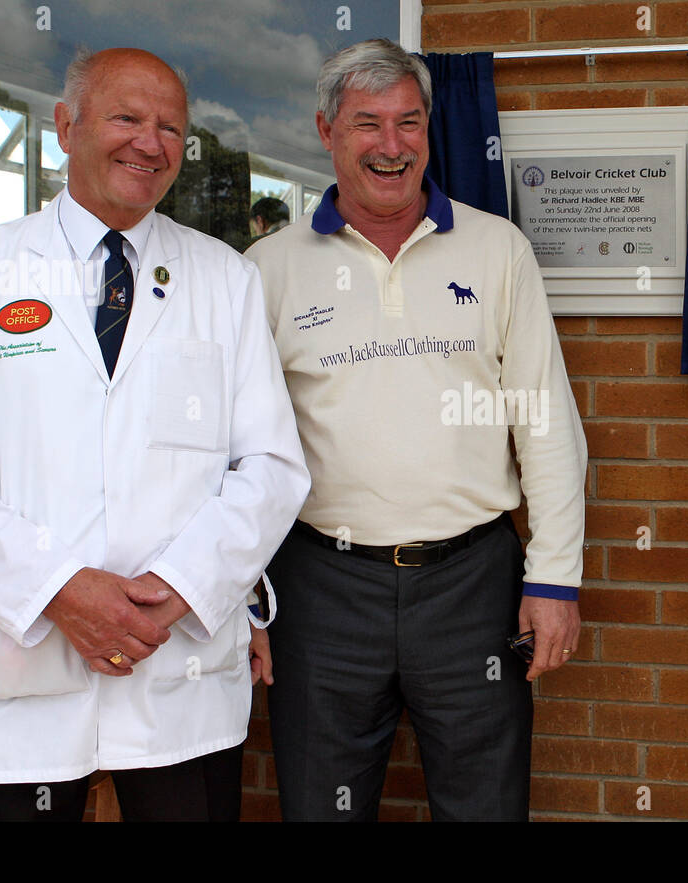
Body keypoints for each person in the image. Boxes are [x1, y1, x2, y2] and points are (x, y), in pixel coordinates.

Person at [0, 47, 309, 822]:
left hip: (173, 673)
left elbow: (272, 467)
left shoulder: (225, 281)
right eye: (128, 118)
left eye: (172, 129)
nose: (151, 144)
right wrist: (61, 592)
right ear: (65, 127)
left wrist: (179, 588)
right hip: (13, 685)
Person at [245, 38, 587, 822]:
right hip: (320, 589)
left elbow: (545, 423)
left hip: (473, 586)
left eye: (410, 122)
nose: (392, 146)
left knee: (485, 809)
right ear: (327, 130)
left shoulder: (499, 250)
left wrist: (554, 579)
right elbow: (239, 453)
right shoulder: (267, 268)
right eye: (368, 123)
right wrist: (245, 602)